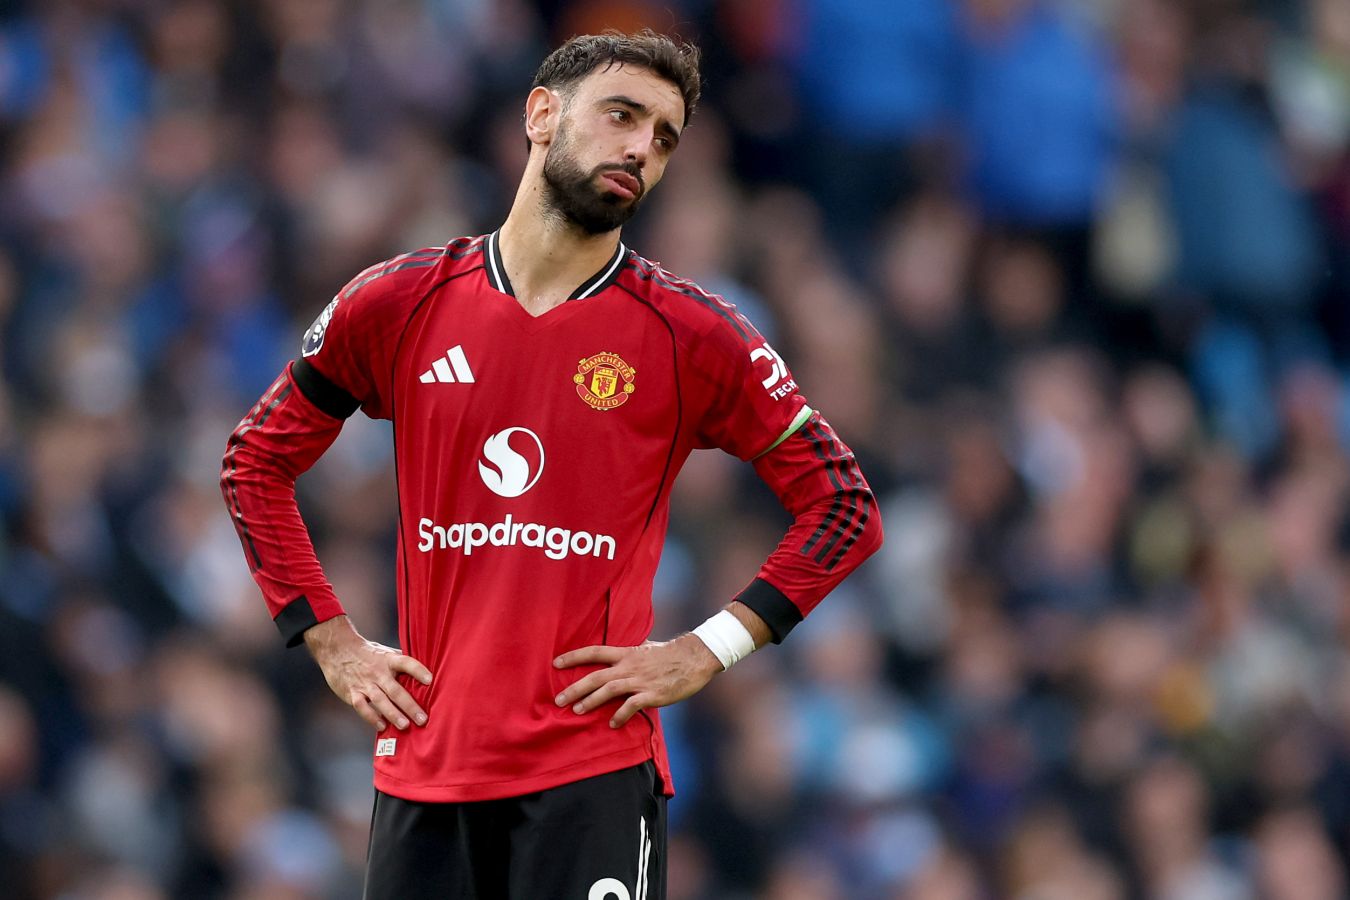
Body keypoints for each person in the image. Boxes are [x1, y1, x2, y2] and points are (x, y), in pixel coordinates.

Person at [221, 29, 882, 900]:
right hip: (425, 769)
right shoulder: (398, 302)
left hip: (589, 771)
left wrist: (707, 649)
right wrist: (329, 639)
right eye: (622, 115)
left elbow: (844, 506)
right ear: (541, 115)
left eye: (664, 138)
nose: (642, 149)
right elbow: (255, 460)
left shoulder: (692, 334)